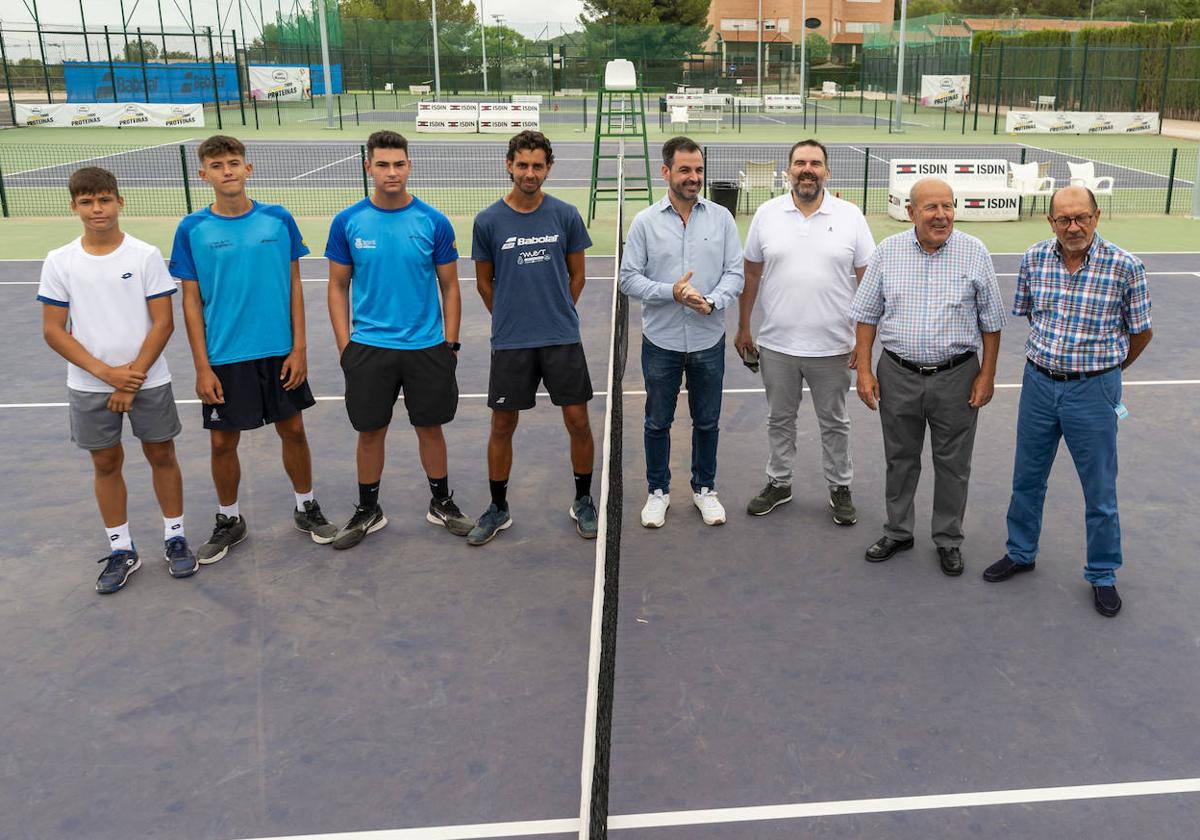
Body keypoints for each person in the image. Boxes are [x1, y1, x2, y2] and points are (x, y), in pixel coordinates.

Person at [986, 186, 1152, 617]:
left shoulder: (1126, 266)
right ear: (1050, 222)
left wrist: (1108, 371)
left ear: (1097, 216)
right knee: (1027, 478)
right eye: (1064, 219)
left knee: (1099, 491)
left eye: (1082, 217)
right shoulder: (1034, 259)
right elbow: (1031, 315)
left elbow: (1142, 332)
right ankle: (1021, 553)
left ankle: (1102, 574)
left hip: (1094, 391)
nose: (1073, 227)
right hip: (1038, 385)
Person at [171, 134, 337, 564]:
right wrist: (202, 367)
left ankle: (306, 506)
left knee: (294, 431)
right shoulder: (192, 229)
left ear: (248, 168)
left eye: (233, 162)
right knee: (223, 444)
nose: (227, 171)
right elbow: (190, 302)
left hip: (279, 351)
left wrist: (299, 348)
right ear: (202, 174)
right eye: (217, 165)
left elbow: (295, 289)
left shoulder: (278, 219)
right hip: (225, 356)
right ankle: (229, 519)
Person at [38, 166, 196, 593]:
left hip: (149, 381)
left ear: (119, 201)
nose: (97, 209)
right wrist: (107, 375)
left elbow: (162, 324)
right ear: (74, 206)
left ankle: (175, 537)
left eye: (104, 199)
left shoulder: (143, 255)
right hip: (90, 385)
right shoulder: (60, 261)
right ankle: (122, 548)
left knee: (162, 455)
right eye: (87, 202)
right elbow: (53, 330)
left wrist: (130, 381)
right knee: (106, 463)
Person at [850, 178, 1005, 576]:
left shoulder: (975, 252)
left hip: (957, 375)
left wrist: (987, 376)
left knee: (954, 463)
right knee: (900, 459)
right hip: (898, 373)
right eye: (931, 208)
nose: (942, 215)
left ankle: (948, 538)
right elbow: (867, 315)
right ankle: (899, 531)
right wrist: (864, 370)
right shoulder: (887, 252)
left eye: (948, 206)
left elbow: (992, 323)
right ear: (911, 212)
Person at [325, 130, 471, 549]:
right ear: (368, 167)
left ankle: (441, 502)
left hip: (426, 346)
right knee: (370, 432)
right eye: (383, 164)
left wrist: (452, 342)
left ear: (409, 166)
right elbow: (337, 286)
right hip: (369, 347)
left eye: (399, 163)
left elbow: (451, 287)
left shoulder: (433, 221)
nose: (392, 172)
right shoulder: (348, 221)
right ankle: (368, 509)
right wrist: (345, 345)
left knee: (430, 427)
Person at [735, 138, 875, 524]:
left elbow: (868, 280)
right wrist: (744, 325)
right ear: (789, 171)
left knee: (835, 423)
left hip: (833, 346)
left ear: (827, 172)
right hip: (777, 343)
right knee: (779, 419)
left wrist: (863, 346)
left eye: (815, 163)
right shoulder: (766, 214)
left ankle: (839, 486)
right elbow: (751, 272)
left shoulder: (850, 216)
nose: (807, 169)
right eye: (800, 163)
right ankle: (779, 482)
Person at [467, 130, 597, 545]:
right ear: (509, 165)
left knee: (578, 421)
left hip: (561, 337)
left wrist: (559, 310)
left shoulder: (566, 215)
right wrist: (510, 316)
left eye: (537, 166)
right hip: (511, 341)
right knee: (502, 424)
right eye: (522, 165)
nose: (529, 172)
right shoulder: (487, 221)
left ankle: (582, 499)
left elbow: (577, 274)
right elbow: (484, 283)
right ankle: (498, 507)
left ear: (548, 169)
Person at [619, 136, 745, 529]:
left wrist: (712, 302)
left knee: (707, 421)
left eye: (699, 170)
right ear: (666, 172)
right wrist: (670, 293)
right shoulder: (644, 223)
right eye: (685, 170)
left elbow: (735, 273)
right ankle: (658, 492)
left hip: (708, 340)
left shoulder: (722, 219)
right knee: (657, 422)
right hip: (663, 343)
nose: (694, 177)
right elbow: (628, 279)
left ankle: (704, 489)